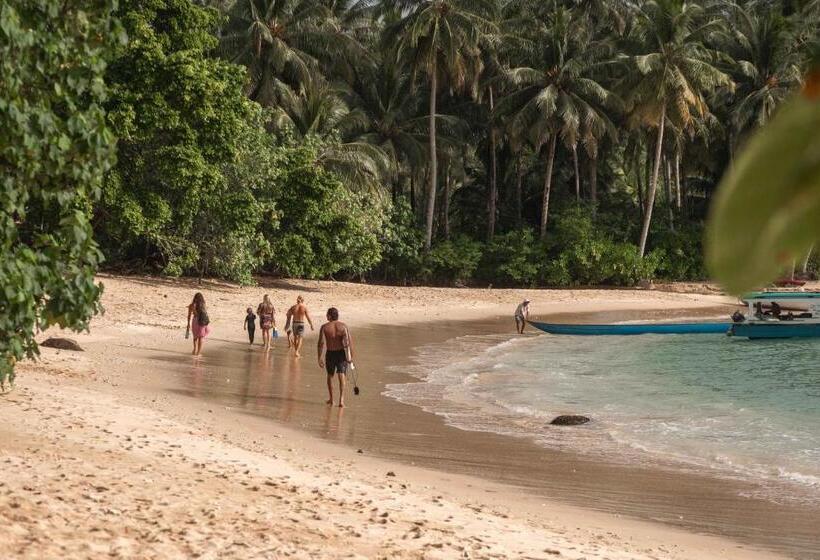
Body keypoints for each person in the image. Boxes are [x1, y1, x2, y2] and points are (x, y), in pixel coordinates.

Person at [318, 307, 352, 408]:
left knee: (330, 376)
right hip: (341, 354)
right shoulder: (343, 326)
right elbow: (348, 343)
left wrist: (319, 357)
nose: (326, 316)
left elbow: (321, 343)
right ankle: (341, 400)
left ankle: (332, 399)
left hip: (330, 353)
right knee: (341, 376)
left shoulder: (324, 327)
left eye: (326, 314)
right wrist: (350, 356)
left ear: (329, 316)